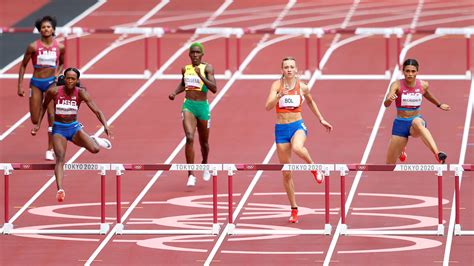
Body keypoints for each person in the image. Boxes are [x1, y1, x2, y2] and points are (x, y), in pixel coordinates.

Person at [265, 57, 333, 223]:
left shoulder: (302, 87)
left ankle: (313, 167)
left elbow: (311, 102)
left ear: (296, 70)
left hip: (297, 126)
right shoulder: (276, 85)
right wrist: (278, 96)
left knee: (297, 148)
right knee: (287, 173)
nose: (289, 69)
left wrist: (321, 119)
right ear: (282, 70)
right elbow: (267, 106)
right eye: (286, 67)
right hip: (281, 129)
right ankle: (294, 208)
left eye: (292, 67)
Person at [32, 68, 112, 202]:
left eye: (73, 79)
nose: (70, 81)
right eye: (68, 78)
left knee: (95, 149)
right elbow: (44, 107)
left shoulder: (81, 93)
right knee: (60, 158)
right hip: (59, 130)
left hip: (74, 129)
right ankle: (60, 189)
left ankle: (92, 139)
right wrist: (38, 125)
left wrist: (106, 125)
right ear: (64, 78)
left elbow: (97, 111)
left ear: (77, 80)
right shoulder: (54, 91)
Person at [168, 42, 217, 187]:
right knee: (189, 137)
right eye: (192, 52)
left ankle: (205, 163)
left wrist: (200, 76)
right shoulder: (185, 69)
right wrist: (175, 92)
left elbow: (214, 88)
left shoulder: (207, 68)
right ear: (189, 55)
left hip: (202, 107)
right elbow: (184, 83)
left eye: (197, 52)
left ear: (202, 54)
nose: (195, 55)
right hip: (188, 105)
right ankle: (191, 174)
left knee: (204, 142)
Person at [384, 59, 450, 164]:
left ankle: (437, 154)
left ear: (417, 71)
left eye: (413, 71)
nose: (410, 74)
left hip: (415, 121)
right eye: (407, 71)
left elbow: (427, 94)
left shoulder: (423, 85)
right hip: (400, 123)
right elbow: (386, 104)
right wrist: (389, 99)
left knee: (417, 122)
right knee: (389, 164)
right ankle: (401, 151)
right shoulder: (396, 85)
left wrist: (439, 104)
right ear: (403, 71)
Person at [17, 15, 65, 161]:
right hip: (36, 83)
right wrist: (20, 85)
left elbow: (62, 63)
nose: (46, 29)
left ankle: (50, 149)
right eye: (43, 27)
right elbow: (23, 65)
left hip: (51, 83)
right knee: (35, 118)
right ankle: (38, 123)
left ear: (53, 29)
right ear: (40, 30)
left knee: (52, 116)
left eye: (49, 27)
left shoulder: (60, 47)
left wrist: (57, 74)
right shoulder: (33, 46)